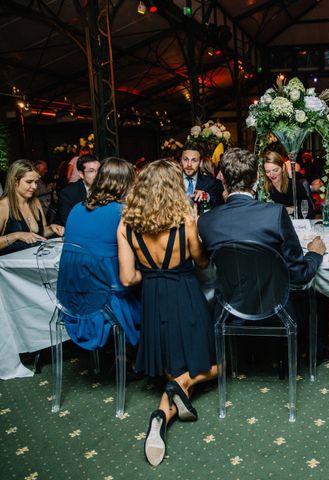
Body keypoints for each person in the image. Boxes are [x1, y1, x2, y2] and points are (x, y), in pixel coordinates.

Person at [117, 159, 217, 467]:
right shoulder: (186, 219)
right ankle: (174, 393)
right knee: (218, 364)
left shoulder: (125, 225)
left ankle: (162, 414)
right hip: (185, 294)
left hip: (152, 298)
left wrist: (151, 276)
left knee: (170, 370)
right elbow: (201, 262)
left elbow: (127, 278)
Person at [199, 148, 326, 285]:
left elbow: (206, 270)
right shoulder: (274, 214)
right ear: (256, 179)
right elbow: (299, 275)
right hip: (271, 302)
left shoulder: (205, 221)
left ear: (222, 179)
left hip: (227, 303)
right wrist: (314, 253)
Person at [61, 157, 140, 349]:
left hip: (74, 296)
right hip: (109, 298)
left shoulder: (76, 209)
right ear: (128, 183)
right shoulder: (123, 213)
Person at [0, 159, 64, 255]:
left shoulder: (35, 202)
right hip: (10, 267)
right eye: (29, 182)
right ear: (14, 182)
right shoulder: (3, 206)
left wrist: (51, 228)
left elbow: (40, 233)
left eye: (36, 182)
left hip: (33, 262)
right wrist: (16, 235)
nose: (34, 187)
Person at [262, 150, 314, 219]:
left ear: (283, 167)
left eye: (275, 170)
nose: (272, 175)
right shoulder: (263, 190)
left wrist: (294, 208)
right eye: (268, 171)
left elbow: (310, 211)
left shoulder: (295, 185)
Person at [55, 154, 101, 226]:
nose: (97, 175)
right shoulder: (68, 193)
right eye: (91, 171)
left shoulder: (106, 189)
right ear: (81, 174)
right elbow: (68, 221)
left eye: (99, 170)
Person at [179, 144, 224, 208]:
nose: (189, 164)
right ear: (181, 161)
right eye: (186, 159)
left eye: (194, 160)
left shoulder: (211, 182)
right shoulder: (173, 181)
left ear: (201, 163)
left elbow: (220, 204)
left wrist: (207, 197)